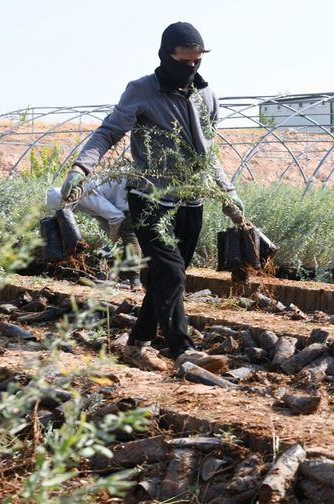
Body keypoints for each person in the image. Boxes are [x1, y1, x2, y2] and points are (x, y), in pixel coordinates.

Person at [60, 21, 243, 371]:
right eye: (183, 61)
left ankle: (136, 344)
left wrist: (228, 193)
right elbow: (108, 131)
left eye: (197, 61)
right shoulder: (142, 90)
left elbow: (209, 153)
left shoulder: (207, 96)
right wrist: (81, 168)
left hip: (192, 199)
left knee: (166, 277)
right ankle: (182, 350)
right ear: (165, 56)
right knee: (171, 272)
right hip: (150, 200)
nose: (190, 68)